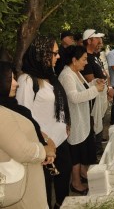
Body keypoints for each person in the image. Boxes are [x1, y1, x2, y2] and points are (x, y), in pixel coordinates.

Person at [16, 36, 72, 209]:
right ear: (42, 54)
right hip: (43, 145)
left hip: (60, 142)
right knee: (44, 191)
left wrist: (65, 125)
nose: (58, 57)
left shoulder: (50, 76)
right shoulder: (27, 81)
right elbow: (23, 117)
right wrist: (44, 141)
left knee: (63, 186)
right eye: (54, 53)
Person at [0, 61, 49, 208]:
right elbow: (23, 152)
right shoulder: (2, 114)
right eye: (10, 80)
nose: (16, 84)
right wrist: (45, 150)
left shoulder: (10, 107)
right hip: (23, 189)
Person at [58, 45, 105, 195]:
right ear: (74, 60)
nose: (86, 62)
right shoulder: (67, 75)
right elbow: (74, 97)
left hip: (82, 119)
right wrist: (94, 90)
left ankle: (82, 176)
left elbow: (83, 90)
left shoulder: (76, 72)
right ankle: (75, 183)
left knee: (82, 152)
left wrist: (93, 83)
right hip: (75, 121)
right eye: (84, 59)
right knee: (76, 155)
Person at [80, 29, 111, 155]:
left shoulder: (95, 56)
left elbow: (103, 74)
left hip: (102, 95)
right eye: (97, 39)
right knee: (95, 123)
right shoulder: (86, 59)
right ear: (89, 41)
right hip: (94, 99)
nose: (100, 42)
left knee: (100, 121)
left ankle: (97, 148)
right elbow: (92, 81)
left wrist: (109, 88)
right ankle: (96, 151)